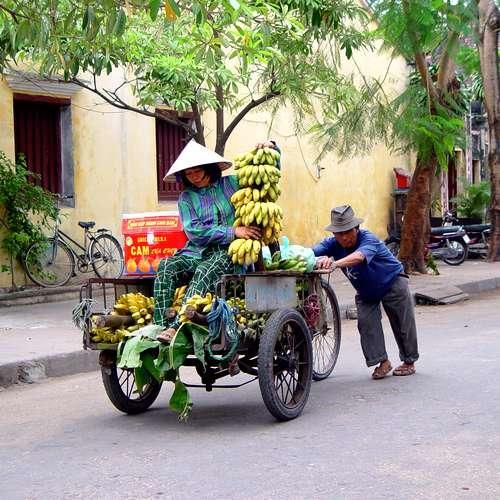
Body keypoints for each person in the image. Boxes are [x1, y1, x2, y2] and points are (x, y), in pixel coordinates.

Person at [154, 139, 274, 343]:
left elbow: (264, 180)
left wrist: (271, 148)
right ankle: (159, 325)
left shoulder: (232, 184)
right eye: (189, 174)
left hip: (229, 251)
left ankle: (177, 326)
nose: (195, 177)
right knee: (167, 265)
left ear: (209, 168)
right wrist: (232, 230)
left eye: (198, 171)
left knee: (205, 270)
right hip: (194, 252)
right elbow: (194, 232)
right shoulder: (186, 197)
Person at [313, 204, 419, 379]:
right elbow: (310, 253)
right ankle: (383, 362)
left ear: (356, 228)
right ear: (334, 234)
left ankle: (409, 361)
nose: (344, 237)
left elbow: (359, 257)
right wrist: (317, 258)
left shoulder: (368, 239)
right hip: (366, 290)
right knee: (366, 323)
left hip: (392, 281)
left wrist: (334, 263)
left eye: (348, 232)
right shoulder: (331, 244)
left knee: (402, 324)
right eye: (339, 233)